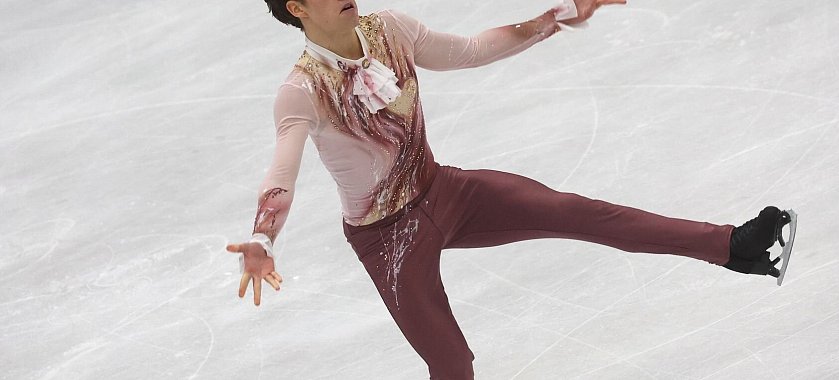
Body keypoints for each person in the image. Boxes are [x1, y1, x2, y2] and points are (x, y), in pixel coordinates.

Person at [224, 1, 797, 378]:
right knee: (453, 365)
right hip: (387, 240)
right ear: (296, 6)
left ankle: (734, 247)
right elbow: (283, 170)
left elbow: (472, 50)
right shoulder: (301, 91)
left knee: (578, 212)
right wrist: (262, 239)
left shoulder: (387, 29)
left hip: (447, 193)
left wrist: (557, 15)